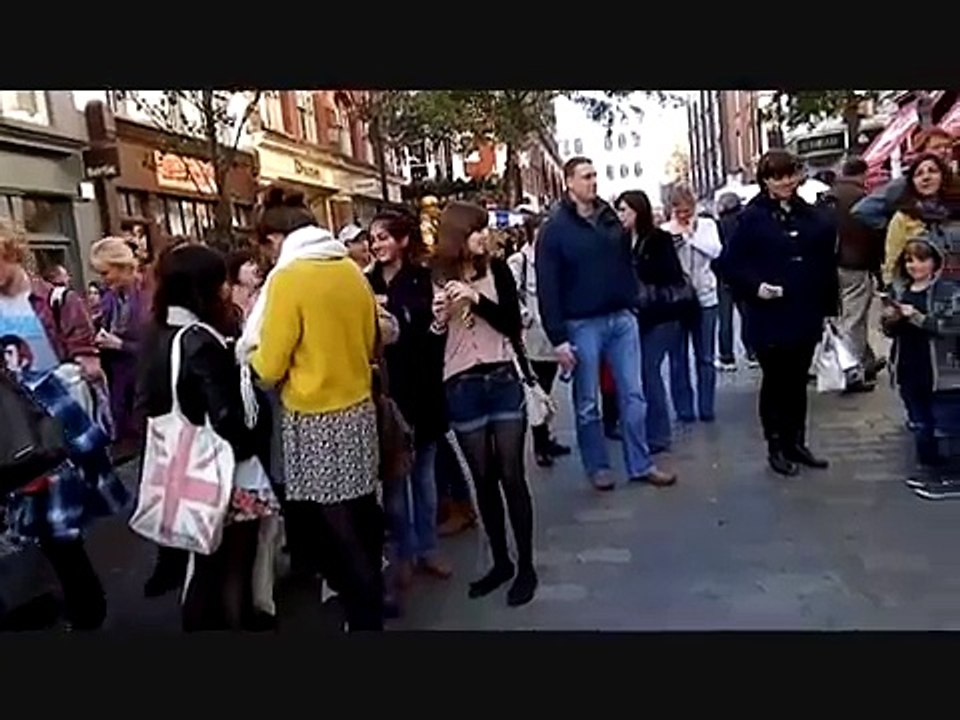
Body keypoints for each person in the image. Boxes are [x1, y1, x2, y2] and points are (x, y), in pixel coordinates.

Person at [244, 186, 384, 631]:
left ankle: (363, 620)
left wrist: (246, 355)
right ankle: (371, 612)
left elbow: (268, 365)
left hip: (314, 418)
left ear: (274, 240)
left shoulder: (288, 280)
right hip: (358, 411)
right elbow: (368, 341)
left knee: (338, 536)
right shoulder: (350, 270)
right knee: (361, 522)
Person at [139, 244, 278, 631]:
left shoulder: (157, 335)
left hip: (181, 470)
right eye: (222, 281)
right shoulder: (200, 339)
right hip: (225, 471)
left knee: (203, 567)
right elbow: (227, 417)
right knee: (233, 569)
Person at [0, 218, 125, 631]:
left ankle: (87, 610)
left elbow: (88, 363)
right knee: (40, 531)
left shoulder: (55, 300)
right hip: (15, 431)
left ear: (10, 253)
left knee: (61, 532)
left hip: (58, 428)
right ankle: (67, 603)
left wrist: (64, 375)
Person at [537, 156, 676, 491]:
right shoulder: (555, 230)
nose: (593, 182)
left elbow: (624, 262)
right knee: (587, 402)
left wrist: (632, 300)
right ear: (569, 182)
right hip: (582, 323)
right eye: (586, 177)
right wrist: (558, 337)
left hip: (621, 317)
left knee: (634, 394)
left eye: (595, 176)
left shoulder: (609, 217)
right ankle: (597, 466)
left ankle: (640, 463)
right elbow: (548, 285)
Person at [429, 200, 538, 607]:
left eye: (485, 229)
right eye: (476, 230)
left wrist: (475, 297)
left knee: (512, 475)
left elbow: (511, 322)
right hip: (461, 385)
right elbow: (434, 339)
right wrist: (440, 316)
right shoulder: (437, 276)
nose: (483, 236)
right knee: (483, 479)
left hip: (502, 378)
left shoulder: (499, 270)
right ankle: (501, 561)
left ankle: (525, 564)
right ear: (458, 235)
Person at [721, 149, 839, 477]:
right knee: (776, 381)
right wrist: (756, 286)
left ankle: (796, 441)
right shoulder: (751, 217)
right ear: (765, 181)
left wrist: (828, 307)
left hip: (804, 310)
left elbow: (825, 257)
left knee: (798, 380)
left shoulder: (809, 213)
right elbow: (729, 265)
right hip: (769, 314)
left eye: (790, 174)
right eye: (778, 176)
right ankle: (776, 445)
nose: (786, 181)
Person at [367, 208, 451, 616]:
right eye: (373, 238)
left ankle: (428, 549)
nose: (377, 244)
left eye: (383, 236)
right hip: (387, 397)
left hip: (423, 390)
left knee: (425, 479)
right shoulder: (362, 283)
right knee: (395, 487)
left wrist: (423, 325)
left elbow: (435, 334)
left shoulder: (421, 279)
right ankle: (403, 553)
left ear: (402, 240)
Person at [616, 189, 690, 454]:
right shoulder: (621, 240)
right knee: (640, 375)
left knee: (649, 371)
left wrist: (641, 269)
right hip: (637, 316)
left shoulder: (658, 239)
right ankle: (647, 430)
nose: (620, 215)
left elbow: (671, 274)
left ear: (639, 211)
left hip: (661, 314)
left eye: (625, 210)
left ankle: (659, 434)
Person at [507, 213, 571, 466]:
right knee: (538, 390)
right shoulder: (520, 260)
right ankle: (540, 444)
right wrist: (524, 317)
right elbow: (511, 294)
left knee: (548, 389)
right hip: (533, 336)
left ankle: (547, 438)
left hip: (553, 333)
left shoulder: (555, 260)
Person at [881, 240, 945, 487]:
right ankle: (926, 462)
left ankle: (933, 463)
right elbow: (889, 332)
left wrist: (915, 317)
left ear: (933, 263)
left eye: (921, 260)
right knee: (917, 418)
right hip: (906, 364)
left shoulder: (942, 292)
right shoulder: (900, 291)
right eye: (909, 260)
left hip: (933, 365)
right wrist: (891, 319)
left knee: (934, 418)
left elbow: (945, 327)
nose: (915, 266)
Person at [821, 157, 886, 391]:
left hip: (833, 263)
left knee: (847, 315)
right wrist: (879, 268)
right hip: (855, 262)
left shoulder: (830, 195)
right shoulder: (861, 197)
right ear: (864, 173)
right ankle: (852, 370)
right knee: (854, 318)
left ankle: (866, 361)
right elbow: (873, 234)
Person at [663, 185, 722, 423]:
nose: (683, 215)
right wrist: (675, 241)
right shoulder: (665, 231)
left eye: (687, 210)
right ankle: (684, 409)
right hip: (677, 303)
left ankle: (706, 407)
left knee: (705, 356)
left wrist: (691, 237)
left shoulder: (707, 226)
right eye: (678, 210)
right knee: (678, 358)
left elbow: (716, 251)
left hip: (706, 298)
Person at [90, 237, 148, 460]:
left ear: (122, 266)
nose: (103, 280)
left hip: (144, 388)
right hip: (120, 389)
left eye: (106, 273)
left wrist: (120, 344)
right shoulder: (110, 299)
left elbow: (157, 345)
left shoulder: (148, 296)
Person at [851, 127, 956, 236]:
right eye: (936, 147)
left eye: (948, 146)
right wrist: (896, 230)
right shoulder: (903, 184)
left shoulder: (953, 180)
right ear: (921, 151)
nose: (944, 151)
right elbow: (862, 210)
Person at [883, 153, 960, 286]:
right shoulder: (904, 217)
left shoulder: (957, 210)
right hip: (923, 296)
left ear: (943, 176)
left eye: (932, 171)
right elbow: (893, 262)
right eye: (919, 174)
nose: (926, 177)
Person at [715, 193, 756, 371]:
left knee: (725, 319)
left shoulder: (718, 225)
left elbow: (716, 252)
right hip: (744, 275)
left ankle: (727, 356)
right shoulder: (745, 222)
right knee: (747, 315)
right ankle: (752, 353)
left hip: (725, 276)